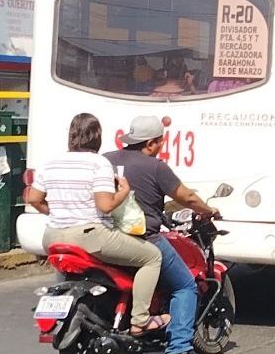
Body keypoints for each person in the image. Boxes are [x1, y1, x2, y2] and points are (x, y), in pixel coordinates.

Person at [23, 112, 167, 336]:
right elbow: (106, 205)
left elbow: (33, 198)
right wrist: (124, 192)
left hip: (52, 237)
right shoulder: (99, 163)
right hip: (90, 236)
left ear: (71, 136)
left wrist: (57, 211)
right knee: (152, 257)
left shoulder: (50, 163)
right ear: (98, 138)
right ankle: (140, 320)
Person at [104, 115, 221, 354]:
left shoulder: (106, 159)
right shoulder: (155, 167)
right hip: (145, 238)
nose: (161, 146)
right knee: (185, 285)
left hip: (108, 238)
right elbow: (187, 197)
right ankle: (179, 352)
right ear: (152, 143)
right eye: (160, 142)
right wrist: (209, 209)